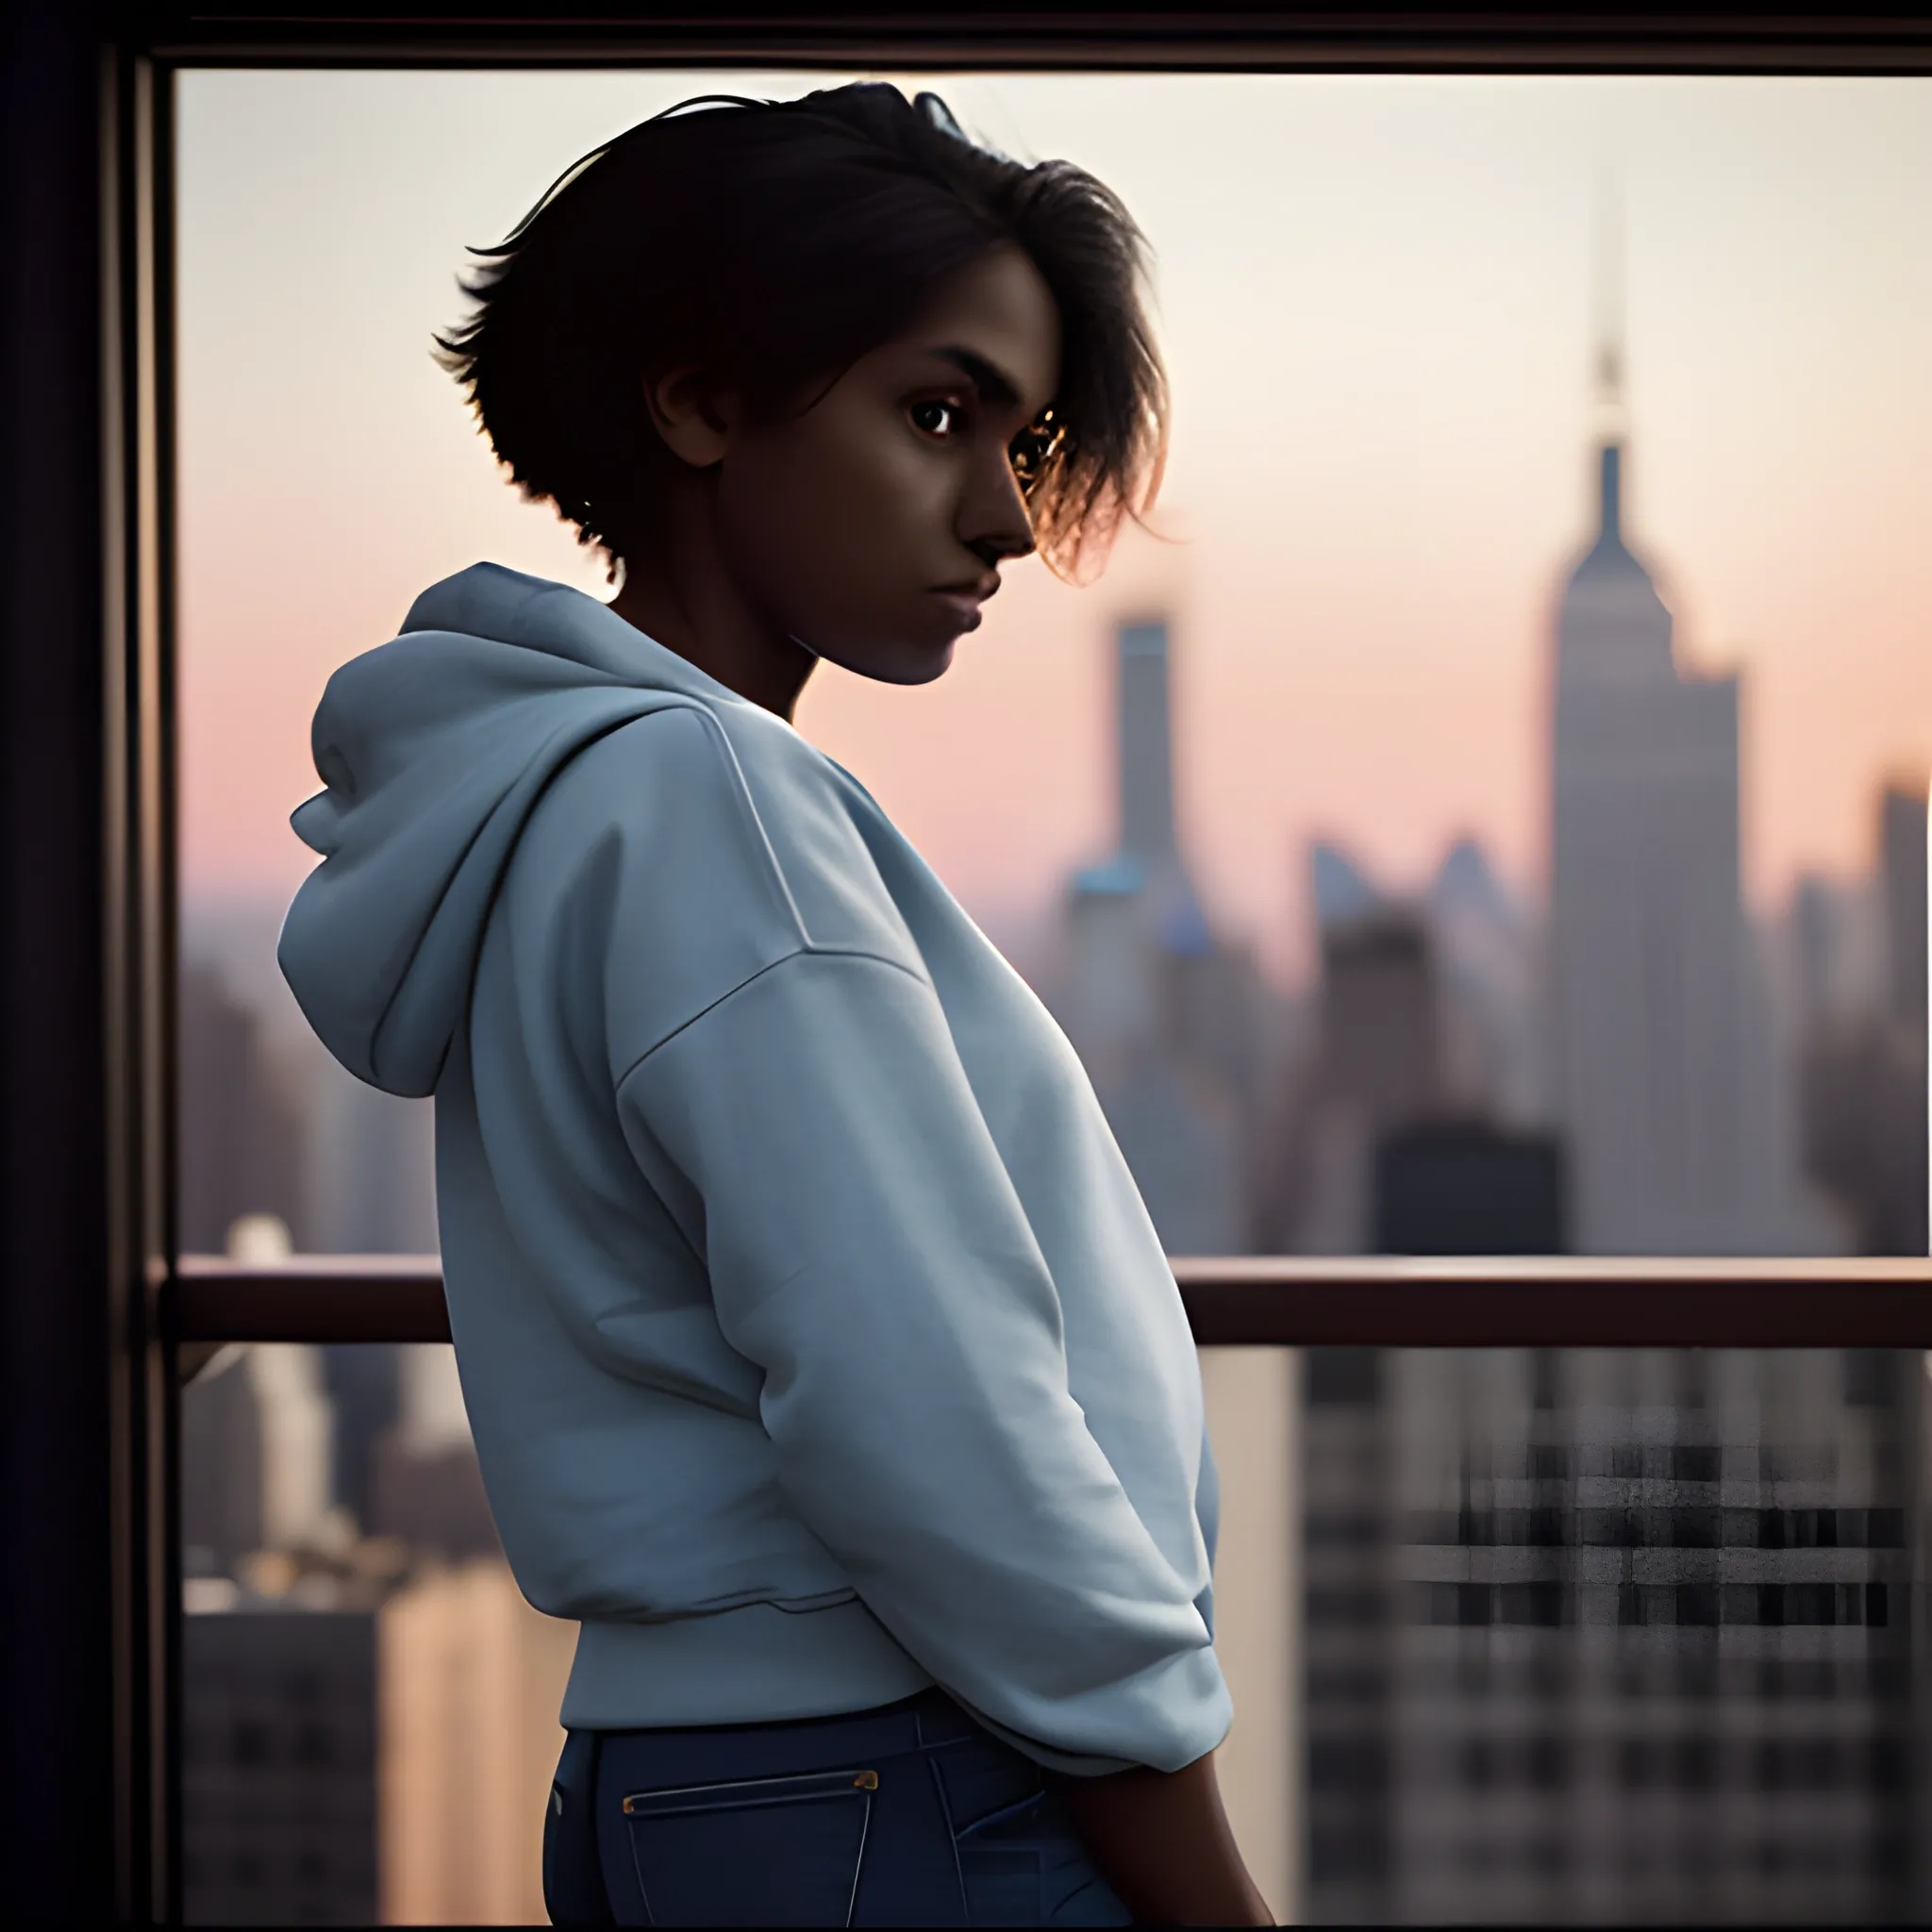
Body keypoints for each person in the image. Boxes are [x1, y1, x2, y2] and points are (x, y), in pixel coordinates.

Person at [278, 82, 1273, 1927]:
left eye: (1022, 435)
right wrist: (1204, 1880)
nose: (1000, 514)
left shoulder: (575, 799)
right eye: (935, 413)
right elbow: (929, 1410)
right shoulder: (711, 806)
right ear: (700, 400)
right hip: (893, 1777)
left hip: (707, 1783)